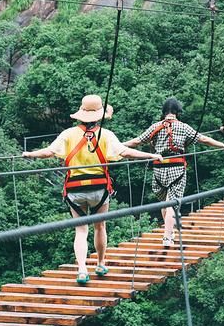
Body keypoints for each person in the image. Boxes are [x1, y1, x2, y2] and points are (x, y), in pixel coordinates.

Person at [23, 94, 161, 285]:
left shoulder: (68, 134)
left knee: (80, 230)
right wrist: (151, 155)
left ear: (80, 114)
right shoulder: (106, 134)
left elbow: (49, 152)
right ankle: (101, 263)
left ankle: (81, 270)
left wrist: (30, 154)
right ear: (99, 115)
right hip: (99, 190)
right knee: (100, 226)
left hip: (74, 190)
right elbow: (126, 152)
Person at [124, 98, 224, 247]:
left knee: (165, 203)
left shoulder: (155, 127)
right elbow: (204, 139)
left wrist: (118, 147)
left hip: (159, 170)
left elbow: (136, 141)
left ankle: (169, 231)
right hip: (177, 169)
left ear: (164, 112)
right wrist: (223, 145)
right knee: (171, 205)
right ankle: (168, 237)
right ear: (177, 112)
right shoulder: (184, 127)